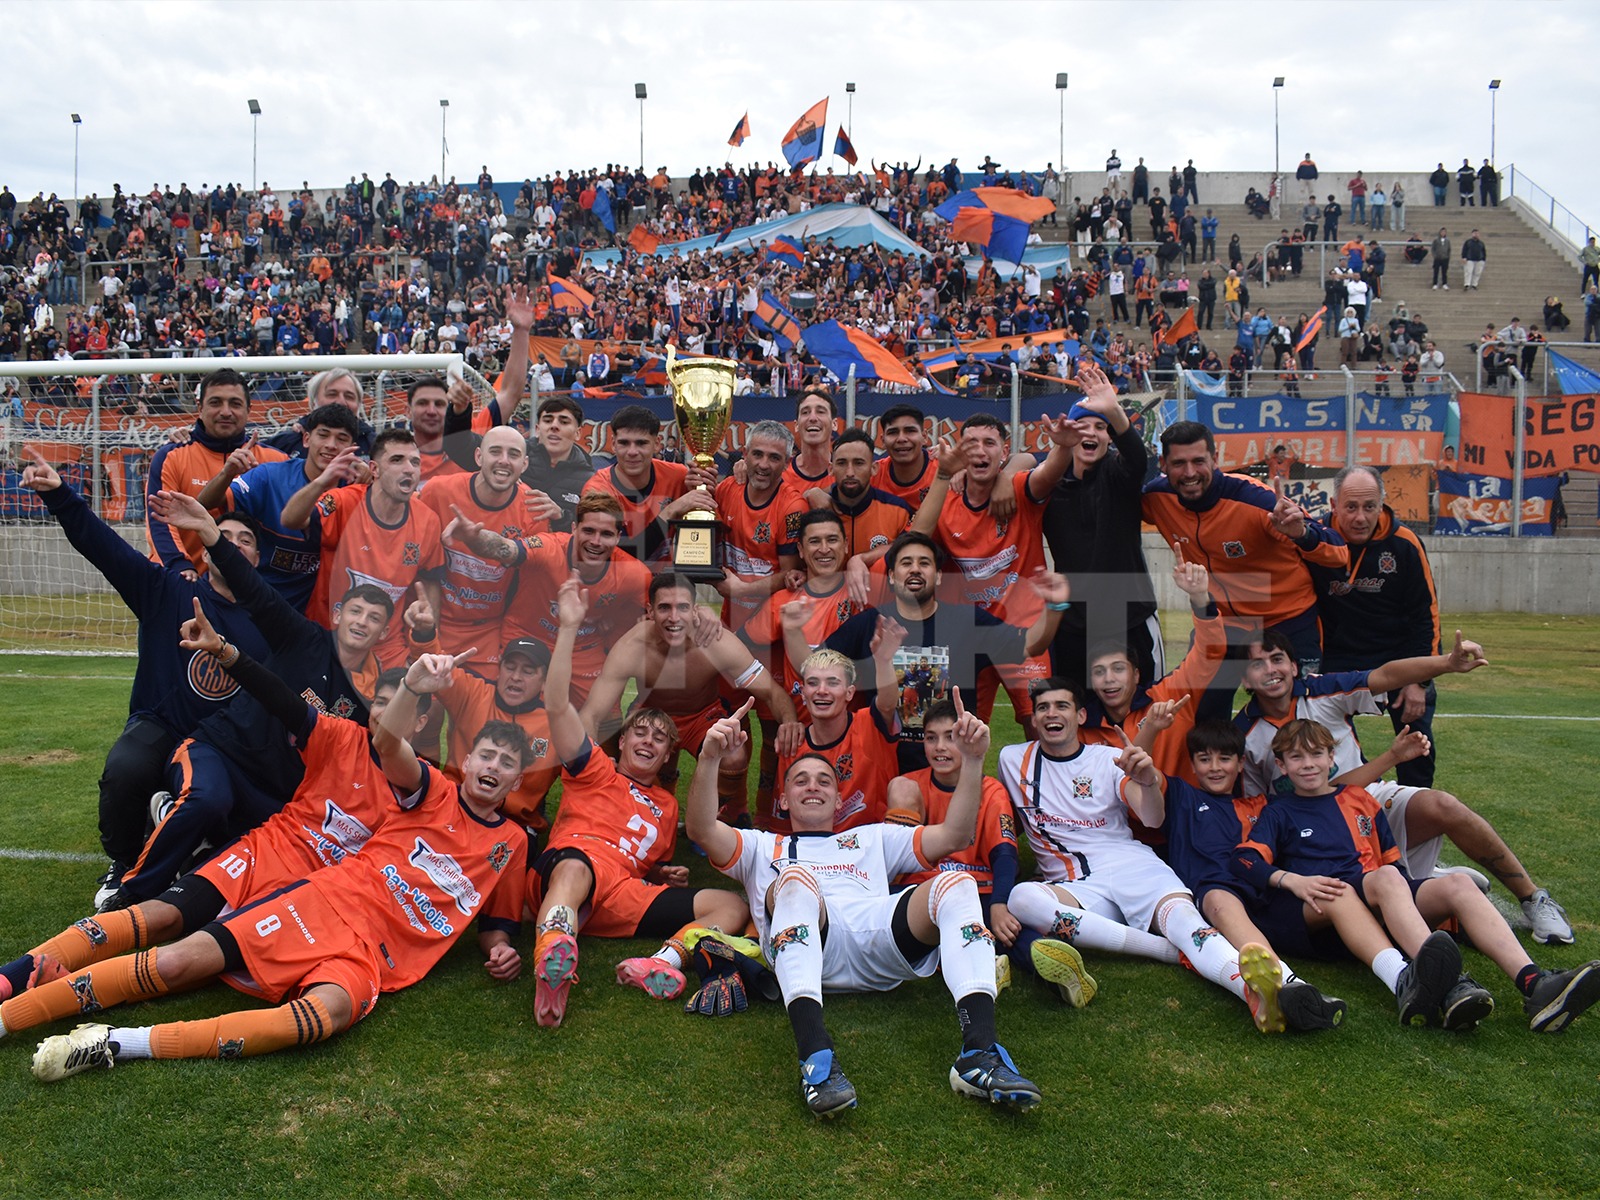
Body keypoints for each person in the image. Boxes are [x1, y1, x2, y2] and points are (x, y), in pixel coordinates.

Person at [16, 650, 530, 1080]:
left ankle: (118, 1043)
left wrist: (502, 949)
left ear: (517, 779)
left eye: (507, 764)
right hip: (312, 891)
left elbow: (498, 924)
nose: (494, 768)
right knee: (170, 939)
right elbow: (376, 738)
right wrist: (413, 686)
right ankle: (16, 995)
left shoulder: (511, 843)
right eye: (487, 756)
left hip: (370, 954)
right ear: (468, 759)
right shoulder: (427, 788)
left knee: (325, 1016)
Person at [0, 623, 423, 1005]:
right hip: (263, 855)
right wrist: (224, 651)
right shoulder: (342, 737)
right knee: (161, 915)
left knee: (184, 962)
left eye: (399, 707)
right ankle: (15, 975)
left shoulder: (426, 789)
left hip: (301, 895)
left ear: (419, 724)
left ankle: (58, 990)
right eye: (381, 703)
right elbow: (276, 694)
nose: (387, 715)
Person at [688, 690, 1044, 1115]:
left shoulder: (871, 836)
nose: (813, 787)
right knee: (796, 879)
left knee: (958, 882)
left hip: (883, 946)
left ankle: (979, 1053)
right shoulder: (761, 845)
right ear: (783, 800)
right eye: (800, 780)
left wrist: (972, 762)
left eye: (824, 781)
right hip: (809, 952)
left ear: (840, 801)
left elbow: (954, 836)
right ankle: (816, 1059)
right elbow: (702, 829)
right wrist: (709, 758)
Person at [16, 447, 273, 908]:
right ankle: (124, 858)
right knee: (127, 768)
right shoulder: (168, 590)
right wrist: (59, 495)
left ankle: (178, 824)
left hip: (221, 741)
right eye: (224, 534)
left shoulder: (272, 620)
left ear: (256, 558)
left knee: (242, 811)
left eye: (244, 540)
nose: (232, 543)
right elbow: (106, 550)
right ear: (205, 542)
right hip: (162, 722)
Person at [1234, 720, 1600, 1033]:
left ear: (1332, 758)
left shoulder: (1360, 800)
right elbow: (1246, 862)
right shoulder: (1278, 810)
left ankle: (1536, 984)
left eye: (1317, 754)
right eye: (1296, 757)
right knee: (1383, 880)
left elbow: (1393, 865)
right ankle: (1450, 982)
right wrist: (1292, 880)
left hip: (1373, 896)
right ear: (1281, 765)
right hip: (1322, 909)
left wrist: (1410, 903)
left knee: (1457, 883)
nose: (1308, 764)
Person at [1233, 630, 1574, 944]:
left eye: (1277, 659)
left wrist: (1446, 664)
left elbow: (1386, 675)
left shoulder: (1324, 690)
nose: (1270, 670)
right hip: (1305, 827)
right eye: (1256, 664)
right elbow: (1265, 805)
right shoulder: (1243, 735)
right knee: (1366, 906)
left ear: (1294, 666)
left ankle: (1533, 898)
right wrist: (1392, 756)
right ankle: (1431, 883)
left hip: (1368, 799)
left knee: (1443, 806)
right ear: (1245, 677)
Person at [997, 679, 1289, 1032]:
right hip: (1075, 888)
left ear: (1081, 715)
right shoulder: (1012, 760)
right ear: (1034, 718)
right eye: (1043, 707)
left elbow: (1151, 818)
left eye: (1062, 706)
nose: (1051, 714)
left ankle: (1262, 991)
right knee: (1023, 898)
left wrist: (1148, 780)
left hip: (1133, 868)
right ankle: (1164, 950)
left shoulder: (1106, 758)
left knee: (1187, 924)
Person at [527, 575, 750, 1028]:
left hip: (623, 891)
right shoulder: (593, 767)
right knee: (574, 867)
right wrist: (569, 627)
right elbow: (556, 707)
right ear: (622, 740)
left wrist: (659, 872)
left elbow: (645, 858)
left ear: (670, 755)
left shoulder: (668, 808)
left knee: (732, 907)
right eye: (640, 733)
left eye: (660, 739)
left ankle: (663, 960)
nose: (649, 742)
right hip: (571, 873)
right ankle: (553, 952)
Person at [812, 531, 1068, 774]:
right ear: (891, 575)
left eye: (924, 563)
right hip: (887, 772)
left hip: (952, 772)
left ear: (938, 576)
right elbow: (817, 666)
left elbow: (1029, 645)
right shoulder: (870, 624)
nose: (915, 569)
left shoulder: (966, 622)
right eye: (906, 563)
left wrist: (1055, 606)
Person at [579, 573, 802, 821]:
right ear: (650, 611)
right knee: (634, 761)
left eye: (682, 608)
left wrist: (790, 722)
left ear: (695, 610)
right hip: (654, 716)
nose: (674, 618)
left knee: (733, 756)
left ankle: (713, 816)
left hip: (702, 715)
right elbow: (592, 712)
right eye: (664, 608)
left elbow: (771, 692)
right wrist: (591, 760)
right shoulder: (633, 645)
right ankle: (652, 808)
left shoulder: (716, 642)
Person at [909, 411, 1076, 731]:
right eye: (971, 443)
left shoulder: (1017, 488)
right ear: (960, 451)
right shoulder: (946, 501)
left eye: (989, 443)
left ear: (1004, 450)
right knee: (959, 724)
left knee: (1039, 719)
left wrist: (1064, 449)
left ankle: (1038, 781)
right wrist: (945, 475)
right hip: (969, 634)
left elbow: (1046, 475)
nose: (980, 450)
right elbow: (913, 541)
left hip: (1024, 628)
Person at [1141, 420, 1348, 676]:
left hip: (1288, 621)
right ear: (1163, 465)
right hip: (1223, 624)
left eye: (1198, 461)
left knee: (1298, 710)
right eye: (1178, 464)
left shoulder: (1257, 500)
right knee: (1200, 707)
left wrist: (1302, 533)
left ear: (1215, 459)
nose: (1189, 473)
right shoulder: (1157, 498)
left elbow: (1339, 551)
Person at [283, 429, 445, 669]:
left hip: (385, 644)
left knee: (424, 701)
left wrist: (429, 623)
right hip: (330, 634)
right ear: (375, 469)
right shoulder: (343, 502)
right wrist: (321, 482)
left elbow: (430, 579)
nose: (409, 468)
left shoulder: (428, 521)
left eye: (415, 462)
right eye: (397, 460)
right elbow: (290, 519)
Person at [1039, 366, 1160, 688]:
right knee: (1074, 711)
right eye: (1082, 425)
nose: (1090, 433)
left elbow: (1138, 459)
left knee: (1141, 708)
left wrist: (1114, 410)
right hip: (1073, 624)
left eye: (1100, 426)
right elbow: (1018, 476)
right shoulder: (1051, 484)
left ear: (1110, 437)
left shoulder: (1119, 475)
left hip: (1129, 618)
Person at [417, 426, 561, 675]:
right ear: (478, 457)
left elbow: (533, 578)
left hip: (488, 630)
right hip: (435, 621)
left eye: (513, 454)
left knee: (483, 711)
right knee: (426, 710)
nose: (504, 461)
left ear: (524, 464)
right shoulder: (438, 491)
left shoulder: (534, 509)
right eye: (495, 451)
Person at [145, 369, 288, 576]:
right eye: (215, 403)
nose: (226, 411)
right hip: (186, 580)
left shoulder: (276, 460)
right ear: (200, 408)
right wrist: (180, 567)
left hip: (256, 591)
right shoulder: (171, 456)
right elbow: (161, 522)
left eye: (235, 404)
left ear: (249, 410)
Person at [583, 404, 713, 564]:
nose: (632, 452)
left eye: (641, 443)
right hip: (619, 583)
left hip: (668, 581)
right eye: (624, 443)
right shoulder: (597, 490)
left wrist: (708, 487)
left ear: (657, 443)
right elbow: (618, 558)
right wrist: (670, 510)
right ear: (613, 444)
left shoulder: (679, 476)